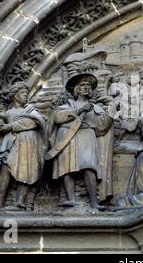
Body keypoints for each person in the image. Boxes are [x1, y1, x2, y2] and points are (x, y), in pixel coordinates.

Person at [48, 73, 113, 211]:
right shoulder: (67, 106)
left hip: (87, 135)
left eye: (88, 86)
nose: (86, 88)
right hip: (67, 136)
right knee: (67, 168)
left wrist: (111, 112)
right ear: (76, 89)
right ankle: (71, 198)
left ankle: (94, 202)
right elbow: (58, 118)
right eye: (82, 85)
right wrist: (79, 110)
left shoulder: (96, 108)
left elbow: (101, 127)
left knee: (89, 167)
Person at [0, 82, 48, 210]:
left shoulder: (31, 111)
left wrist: (10, 126)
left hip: (28, 145)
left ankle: (20, 203)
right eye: (23, 93)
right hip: (10, 144)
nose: (26, 96)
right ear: (15, 96)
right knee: (5, 169)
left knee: (26, 172)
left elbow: (36, 122)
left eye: (27, 94)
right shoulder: (7, 113)